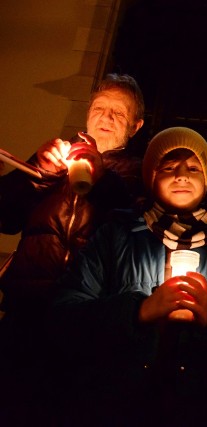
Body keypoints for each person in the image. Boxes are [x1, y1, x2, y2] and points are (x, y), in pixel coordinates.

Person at [48, 126, 207, 426]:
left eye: (193, 167)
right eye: (169, 167)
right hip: (117, 403)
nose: (182, 175)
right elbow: (64, 317)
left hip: (197, 407)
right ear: (151, 177)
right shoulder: (117, 235)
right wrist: (139, 310)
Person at [0, 73, 145, 425]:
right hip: (28, 309)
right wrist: (37, 175)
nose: (106, 118)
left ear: (136, 126)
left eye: (118, 113)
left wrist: (100, 179)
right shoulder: (54, 155)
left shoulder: (140, 173)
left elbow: (135, 226)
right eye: (100, 108)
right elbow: (5, 215)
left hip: (92, 320)